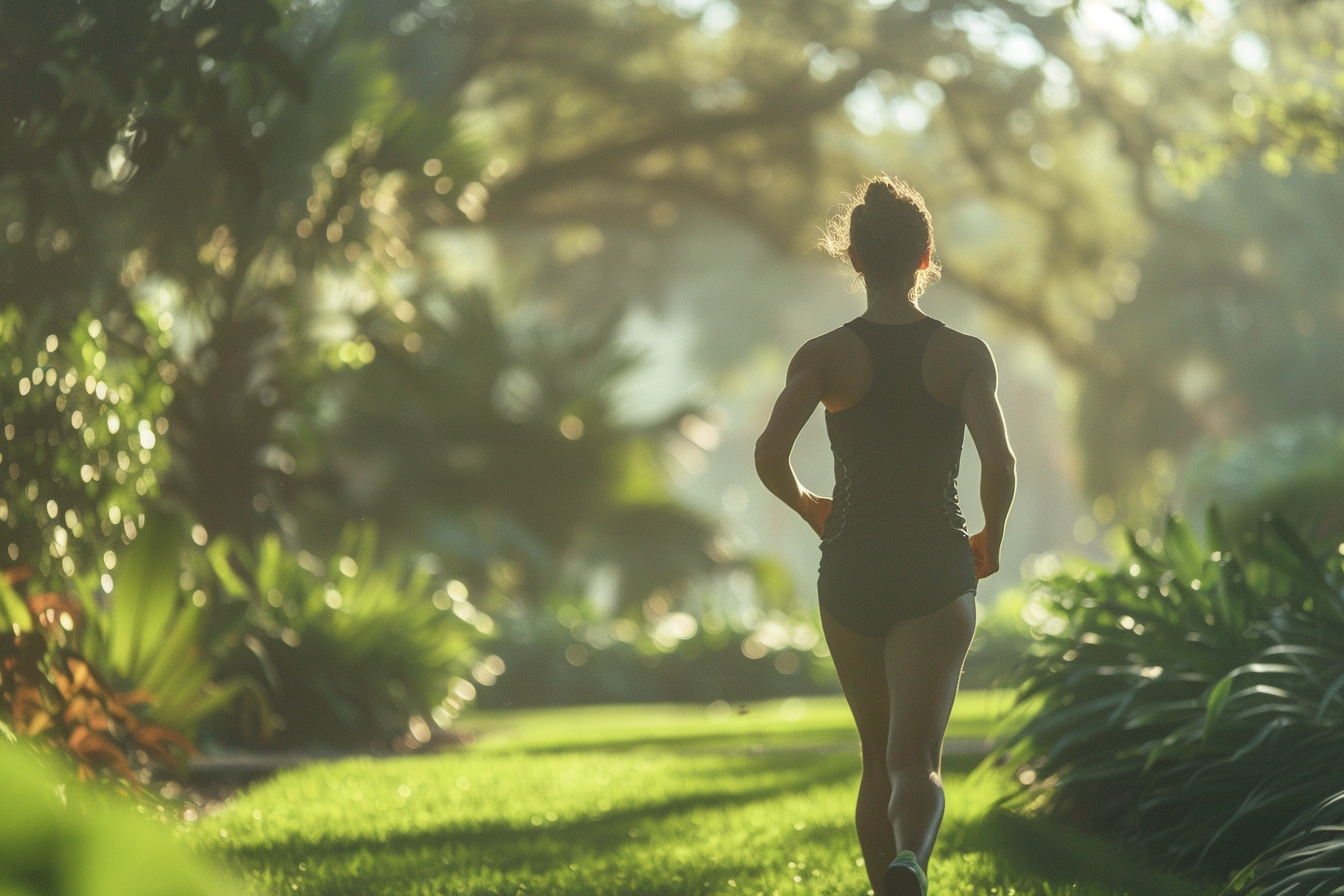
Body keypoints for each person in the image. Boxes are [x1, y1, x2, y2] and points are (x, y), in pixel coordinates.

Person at [754, 174, 1016, 896]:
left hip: (852, 571)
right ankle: (910, 863)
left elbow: (769, 455)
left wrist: (811, 506)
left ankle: (888, 888)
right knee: (915, 761)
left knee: (875, 759)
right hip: (936, 566)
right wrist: (992, 533)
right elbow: (1000, 461)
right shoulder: (963, 355)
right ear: (926, 256)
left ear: (856, 259)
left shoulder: (824, 355)